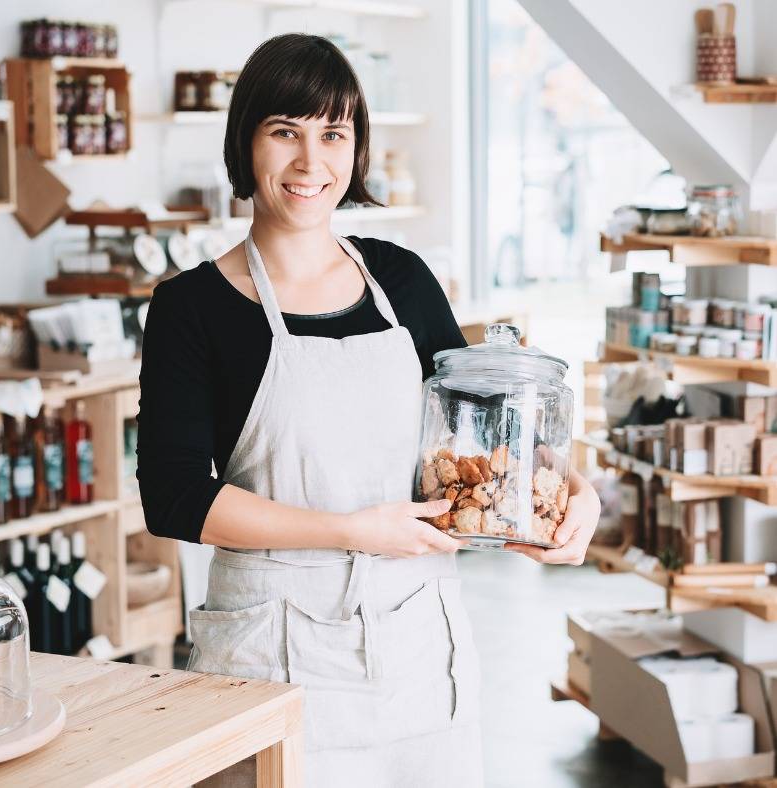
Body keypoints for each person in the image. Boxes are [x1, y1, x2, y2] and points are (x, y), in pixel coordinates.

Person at [137, 32, 601, 788]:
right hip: (272, 659)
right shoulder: (192, 307)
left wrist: (570, 490)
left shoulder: (401, 279)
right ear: (244, 141)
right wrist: (353, 531)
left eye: (333, 134)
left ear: (356, 151)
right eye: (284, 131)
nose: (310, 163)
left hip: (419, 658)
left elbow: (484, 428)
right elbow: (175, 496)